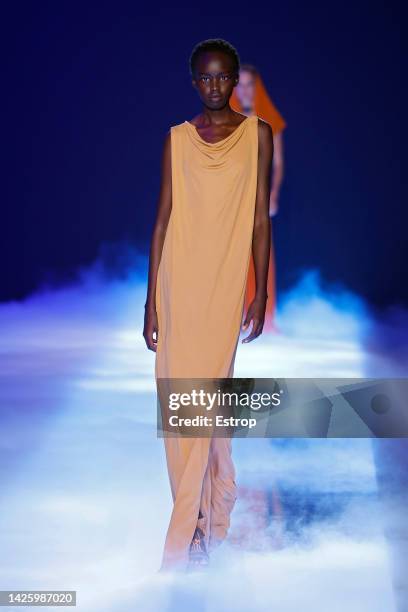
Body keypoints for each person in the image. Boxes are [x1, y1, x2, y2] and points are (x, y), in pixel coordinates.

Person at [143, 38, 273, 572]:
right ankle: (197, 528)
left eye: (224, 77)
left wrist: (259, 290)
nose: (215, 86)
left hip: (223, 285)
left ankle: (200, 523)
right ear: (194, 81)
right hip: (179, 282)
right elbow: (161, 220)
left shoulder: (256, 136)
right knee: (181, 407)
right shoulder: (176, 139)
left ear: (236, 78)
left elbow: (261, 220)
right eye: (206, 78)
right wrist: (152, 299)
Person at [230, 64, 286, 331]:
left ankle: (266, 316)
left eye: (249, 84)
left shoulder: (267, 116)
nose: (244, 90)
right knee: (231, 253)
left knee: (261, 253)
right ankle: (233, 314)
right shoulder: (224, 115)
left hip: (258, 195)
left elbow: (278, 162)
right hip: (230, 194)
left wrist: (274, 194)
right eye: (240, 84)